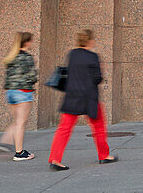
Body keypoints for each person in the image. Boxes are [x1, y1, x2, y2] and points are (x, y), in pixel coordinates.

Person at [48, 29, 117, 170]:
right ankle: (104, 155)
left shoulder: (72, 54)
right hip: (89, 97)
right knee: (98, 127)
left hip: (72, 96)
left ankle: (55, 159)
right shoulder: (93, 56)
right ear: (90, 41)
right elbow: (98, 78)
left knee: (63, 129)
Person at [0, 31, 37, 161]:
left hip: (10, 92)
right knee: (21, 122)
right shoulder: (27, 57)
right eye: (31, 41)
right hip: (23, 92)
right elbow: (32, 76)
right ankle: (19, 152)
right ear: (27, 42)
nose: (31, 43)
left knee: (16, 121)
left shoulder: (11, 57)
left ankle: (5, 142)